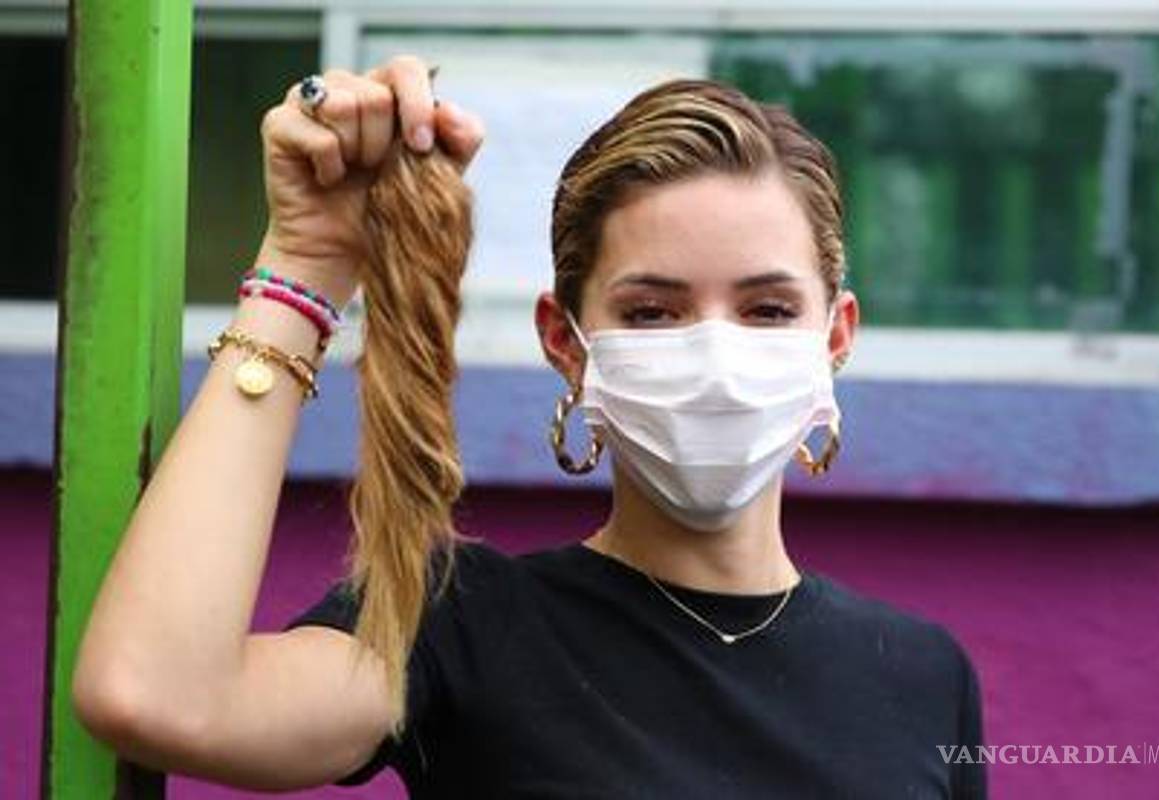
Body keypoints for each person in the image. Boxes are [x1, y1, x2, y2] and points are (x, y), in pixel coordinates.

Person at [72, 54, 986, 798]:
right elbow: (158, 696)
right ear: (567, 342)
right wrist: (305, 266)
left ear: (836, 336)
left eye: (768, 309)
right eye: (654, 313)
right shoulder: (454, 622)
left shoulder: (924, 676)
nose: (714, 353)